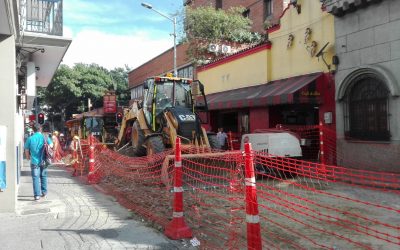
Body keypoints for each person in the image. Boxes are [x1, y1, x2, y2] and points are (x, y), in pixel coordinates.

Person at [24, 124, 53, 201]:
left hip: (34, 161)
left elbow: (26, 150)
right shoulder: (45, 137)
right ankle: (44, 192)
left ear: (33, 130)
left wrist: (27, 158)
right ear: (40, 129)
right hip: (44, 160)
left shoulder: (30, 138)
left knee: (35, 178)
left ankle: (37, 195)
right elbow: (51, 145)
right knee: (43, 175)